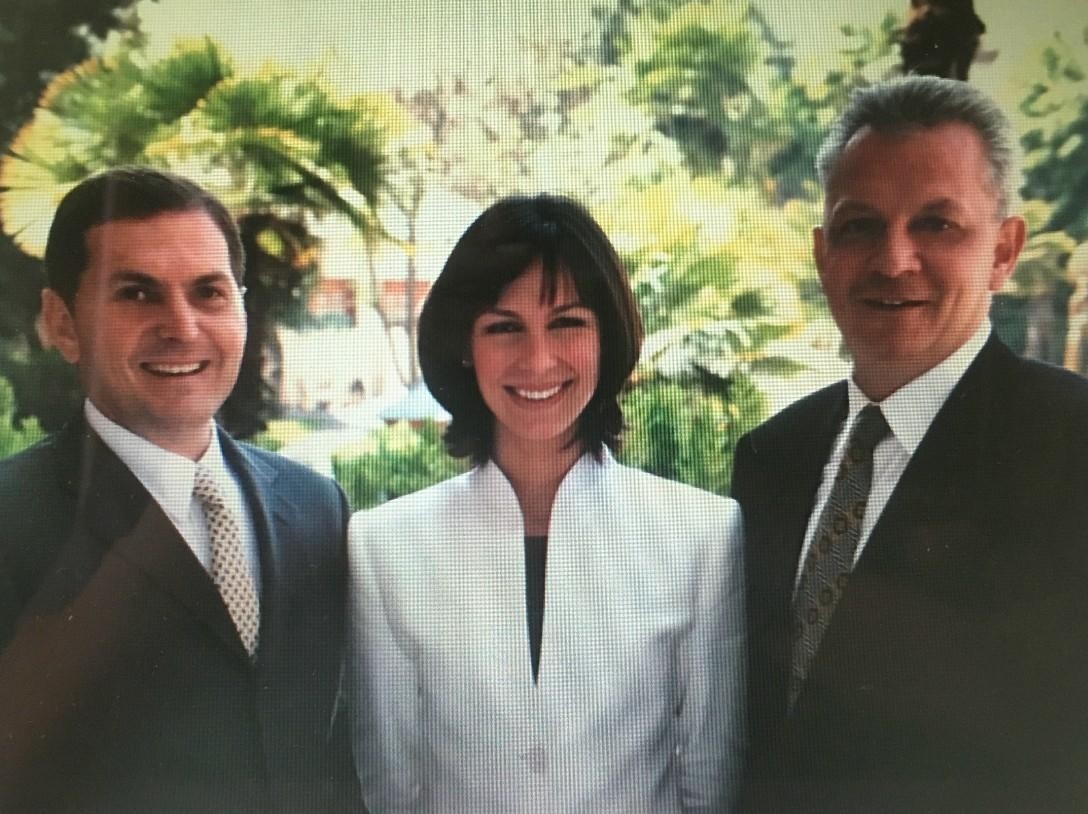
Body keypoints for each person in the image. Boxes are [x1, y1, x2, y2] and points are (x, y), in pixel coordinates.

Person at [732, 75, 1088, 813]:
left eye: (937, 224)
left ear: (1003, 251)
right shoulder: (772, 457)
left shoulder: (1072, 446)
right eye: (860, 226)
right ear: (823, 253)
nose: (894, 260)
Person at [347, 194, 745, 812]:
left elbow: (709, 781)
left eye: (567, 323)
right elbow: (389, 789)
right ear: (465, 345)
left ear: (606, 338)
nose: (537, 360)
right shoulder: (384, 545)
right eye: (503, 327)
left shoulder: (702, 535)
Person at [0, 167, 361, 814]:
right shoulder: (11, 519)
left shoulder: (316, 508)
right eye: (137, 293)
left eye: (209, 292)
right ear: (62, 323)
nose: (182, 327)